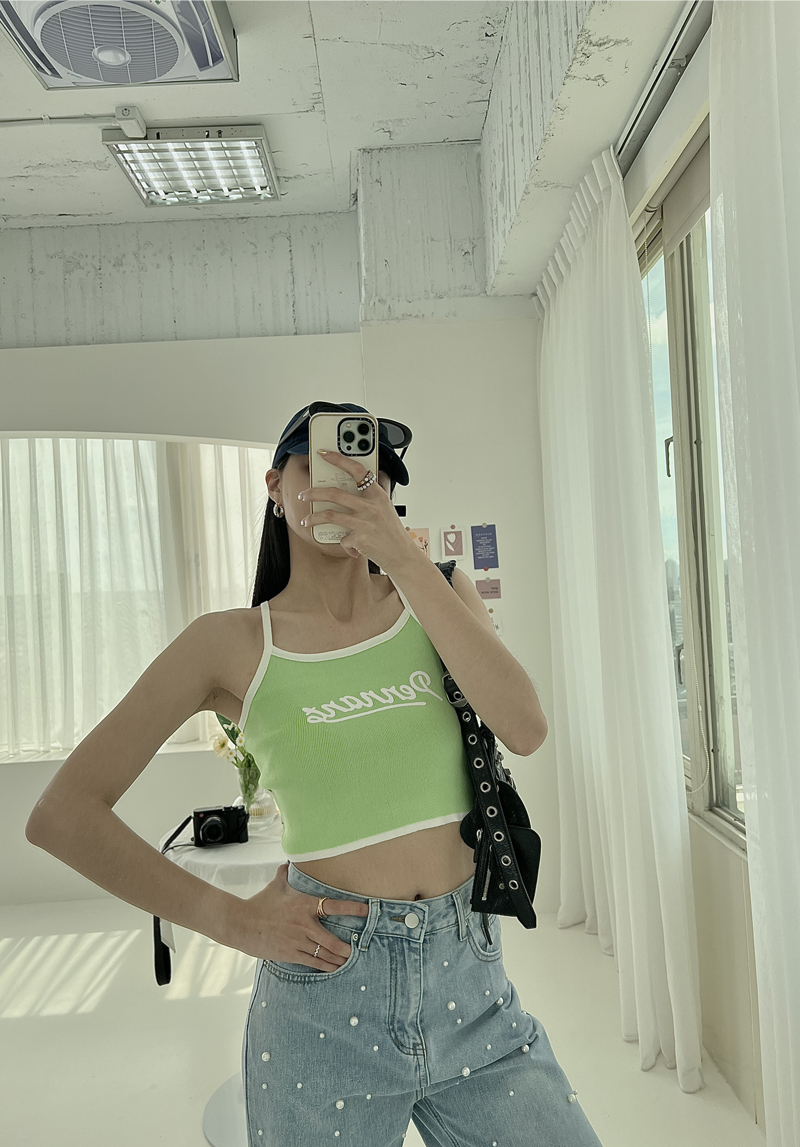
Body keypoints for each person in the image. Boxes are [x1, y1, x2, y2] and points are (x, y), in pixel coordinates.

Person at [26, 400, 604, 1147]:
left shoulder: (438, 594)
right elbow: (63, 814)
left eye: (369, 473)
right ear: (276, 486)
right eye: (318, 466)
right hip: (325, 1007)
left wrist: (403, 558)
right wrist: (232, 920)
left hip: (473, 990)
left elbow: (525, 727)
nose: (347, 484)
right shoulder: (229, 643)